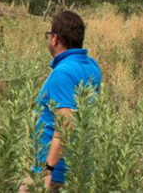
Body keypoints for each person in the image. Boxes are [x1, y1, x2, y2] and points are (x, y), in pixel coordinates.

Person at [25, 11, 102, 193]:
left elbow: (66, 123)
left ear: (55, 39)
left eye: (49, 34)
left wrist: (47, 169)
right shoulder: (91, 66)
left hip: (54, 175)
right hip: (78, 170)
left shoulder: (63, 73)